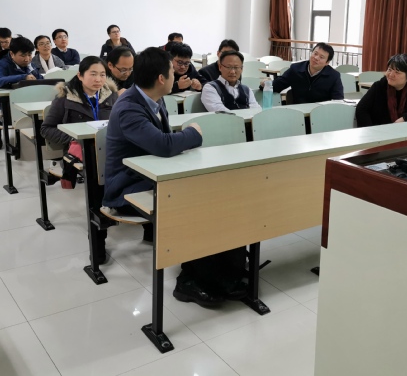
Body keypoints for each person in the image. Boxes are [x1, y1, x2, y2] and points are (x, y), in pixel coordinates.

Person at [102, 47, 245, 307]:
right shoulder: (129, 107)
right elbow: (164, 145)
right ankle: (190, 281)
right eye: (171, 71)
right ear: (161, 78)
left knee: (220, 194)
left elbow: (165, 144)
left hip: (154, 176)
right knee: (196, 205)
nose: (176, 75)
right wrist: (193, 133)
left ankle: (226, 274)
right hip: (128, 187)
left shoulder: (154, 99)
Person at [41, 56, 117, 204]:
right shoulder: (64, 97)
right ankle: (101, 207)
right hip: (80, 149)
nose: (98, 79)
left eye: (102, 75)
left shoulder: (111, 95)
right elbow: (46, 129)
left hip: (108, 145)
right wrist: (74, 138)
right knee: (98, 161)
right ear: (80, 76)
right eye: (93, 74)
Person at [355, 53, 407, 127]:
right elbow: (361, 109)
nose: (391, 75)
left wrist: (405, 118)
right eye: (389, 70)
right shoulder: (379, 86)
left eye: (397, 72)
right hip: (381, 131)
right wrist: (369, 130)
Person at [271, 43, 344, 104]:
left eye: (321, 57)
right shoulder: (296, 69)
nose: (316, 58)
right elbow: (277, 85)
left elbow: (338, 100)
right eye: (315, 53)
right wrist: (267, 84)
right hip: (298, 111)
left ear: (327, 62)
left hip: (321, 112)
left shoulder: (334, 76)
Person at [0, 36, 43, 110]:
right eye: (23, 55)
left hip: (28, 100)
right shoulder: (0, 64)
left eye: (29, 55)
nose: (27, 59)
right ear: (12, 54)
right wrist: (23, 77)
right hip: (4, 105)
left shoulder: (30, 65)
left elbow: (40, 79)